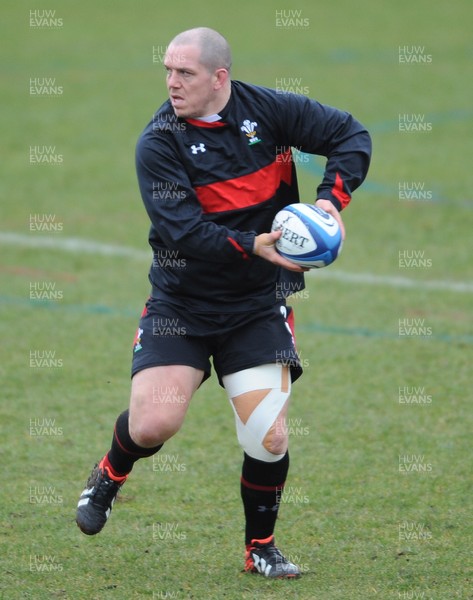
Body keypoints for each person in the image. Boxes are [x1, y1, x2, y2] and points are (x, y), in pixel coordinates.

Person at [76, 26, 371, 579]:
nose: (171, 83)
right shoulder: (159, 142)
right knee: (154, 424)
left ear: (219, 77)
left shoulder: (271, 111)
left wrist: (330, 203)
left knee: (269, 433)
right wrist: (253, 245)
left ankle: (259, 548)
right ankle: (109, 475)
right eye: (167, 70)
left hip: (257, 304)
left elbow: (350, 134)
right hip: (181, 305)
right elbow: (185, 233)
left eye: (184, 73)